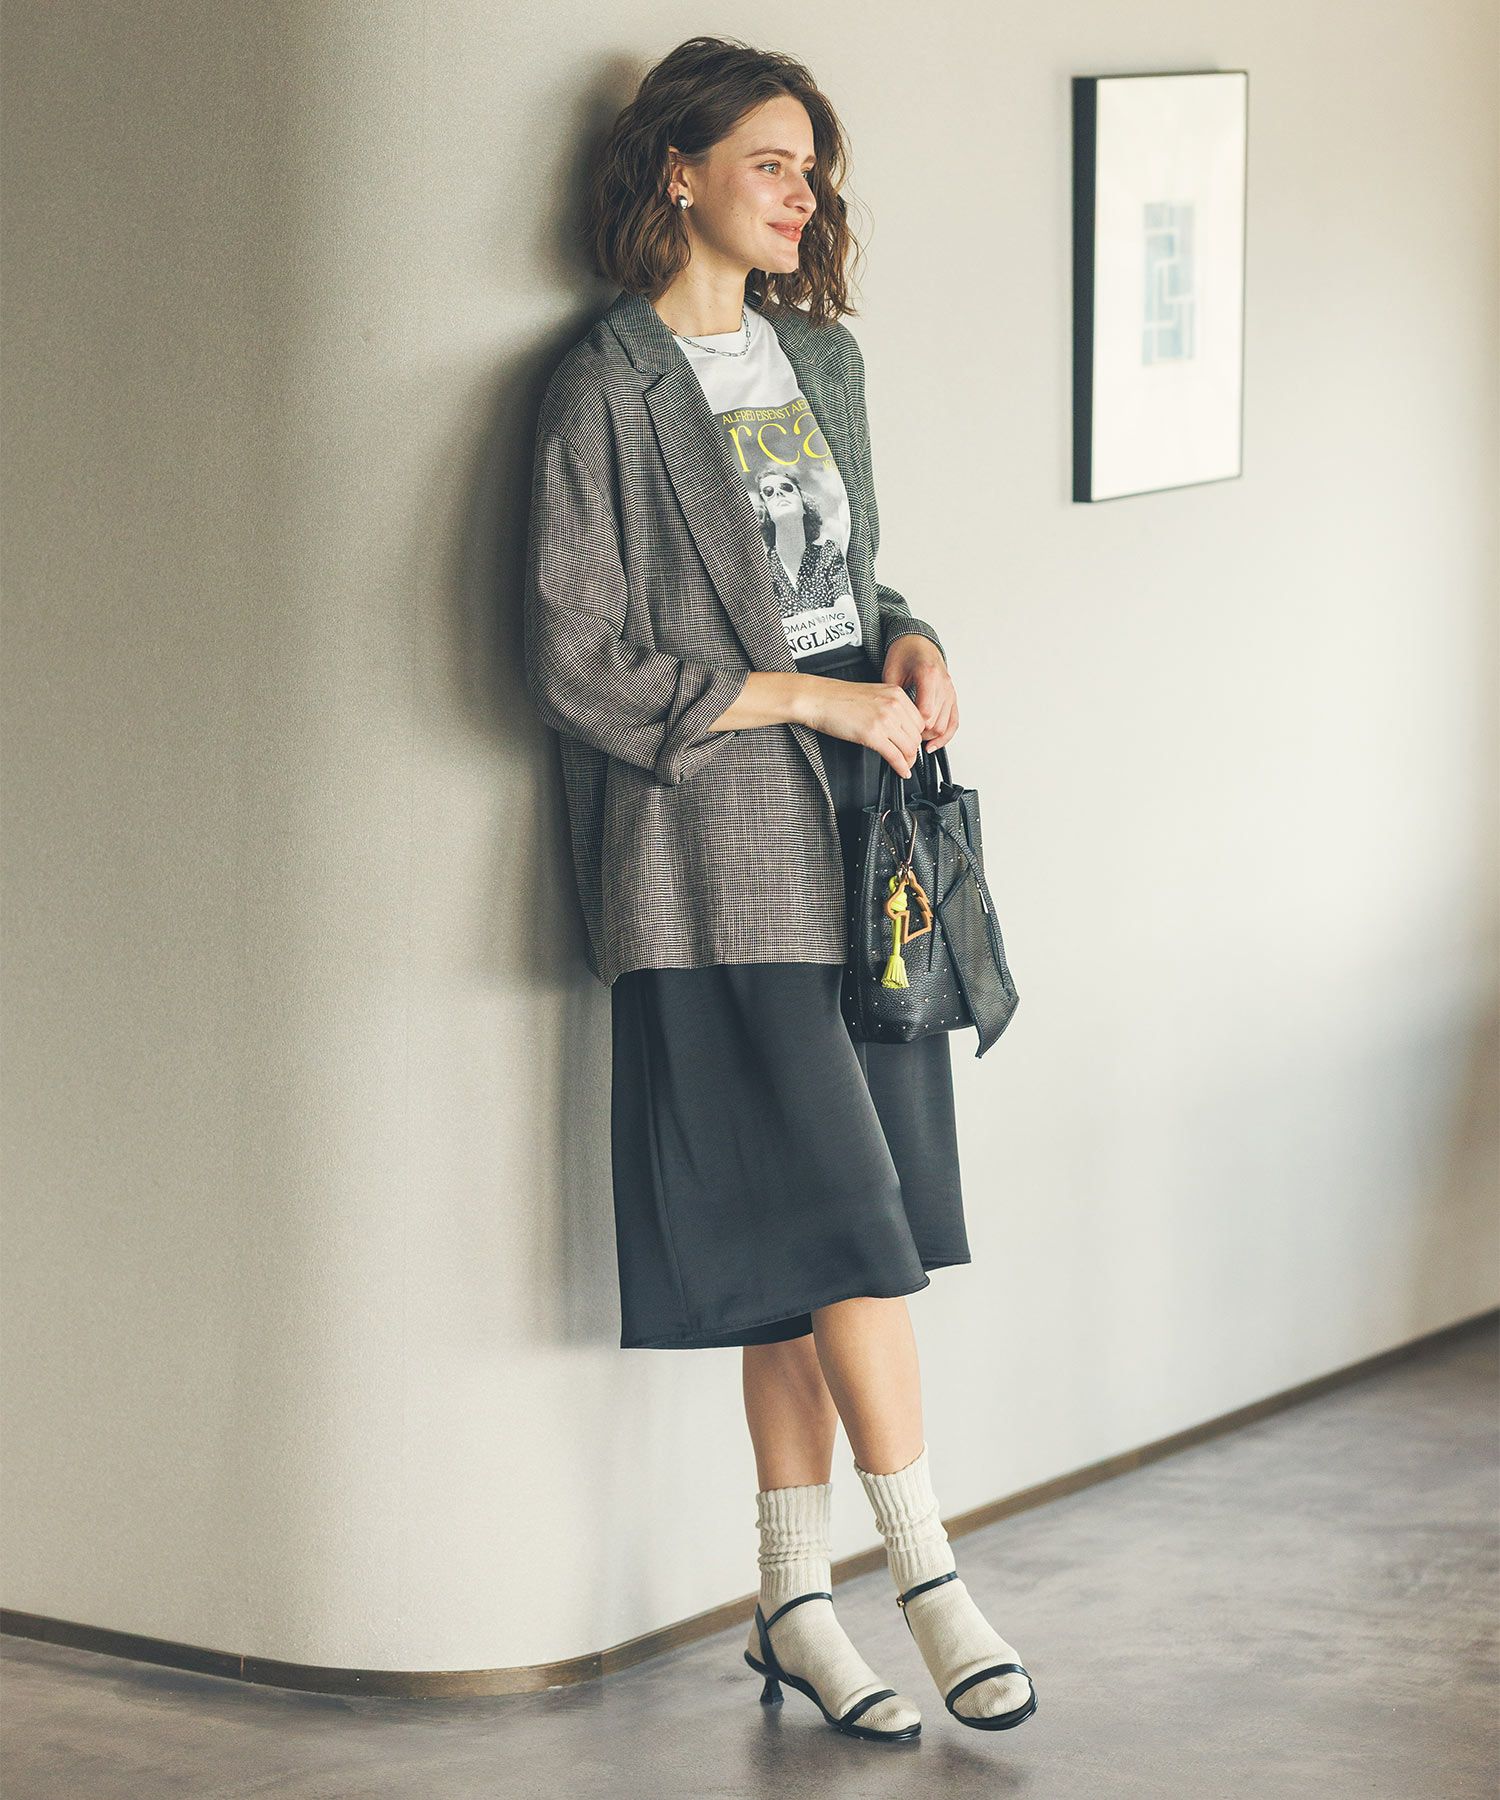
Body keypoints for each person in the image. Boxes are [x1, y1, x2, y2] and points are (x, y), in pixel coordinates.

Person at [522, 35, 1035, 1743]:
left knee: (812, 1240)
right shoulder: (603, 389)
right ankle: (931, 1576)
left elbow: (841, 582)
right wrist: (807, 699)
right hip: (712, 856)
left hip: (857, 839)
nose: (805, 193)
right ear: (678, 171)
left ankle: (796, 1606)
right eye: (771, 160)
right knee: (846, 1224)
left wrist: (908, 640)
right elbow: (579, 662)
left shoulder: (820, 359)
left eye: (813, 167)